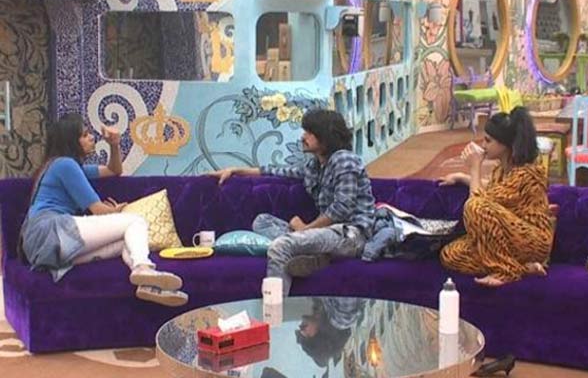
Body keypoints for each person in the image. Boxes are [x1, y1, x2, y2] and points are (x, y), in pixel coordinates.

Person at [19, 113, 188, 306]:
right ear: (71, 141)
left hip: (45, 247)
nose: (92, 137)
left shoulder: (69, 167)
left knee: (126, 242)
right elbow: (98, 210)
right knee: (135, 220)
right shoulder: (65, 165)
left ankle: (147, 284)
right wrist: (116, 211)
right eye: (84, 135)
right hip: (51, 231)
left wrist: (114, 144)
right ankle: (143, 267)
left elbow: (114, 170)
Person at [209, 109, 375, 296]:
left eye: (309, 133)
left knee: (281, 246)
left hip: (351, 235)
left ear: (325, 136)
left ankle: (275, 309)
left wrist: (305, 230)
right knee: (262, 221)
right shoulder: (315, 166)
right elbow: (276, 171)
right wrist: (235, 170)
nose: (303, 137)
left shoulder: (344, 160)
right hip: (325, 235)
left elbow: (342, 209)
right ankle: (314, 254)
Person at [438, 107, 553, 287]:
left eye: (488, 140)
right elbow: (493, 189)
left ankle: (507, 272)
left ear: (506, 145)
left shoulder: (527, 174)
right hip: (508, 239)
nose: (483, 146)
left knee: (475, 207)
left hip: (532, 240)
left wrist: (474, 167)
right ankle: (524, 268)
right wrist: (462, 177)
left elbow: (478, 202)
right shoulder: (503, 168)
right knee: (450, 255)